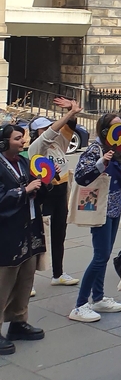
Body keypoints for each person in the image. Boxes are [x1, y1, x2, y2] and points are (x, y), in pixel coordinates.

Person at [69, 113, 121, 322]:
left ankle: (98, 298)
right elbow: (81, 176)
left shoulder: (116, 148)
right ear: (104, 131)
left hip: (115, 205)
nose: (120, 130)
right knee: (100, 256)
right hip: (100, 208)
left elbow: (118, 167)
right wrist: (101, 162)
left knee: (105, 254)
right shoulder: (95, 149)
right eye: (115, 127)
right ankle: (80, 304)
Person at [0, 123, 47, 355]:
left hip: (28, 227)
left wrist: (42, 184)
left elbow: (34, 187)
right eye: (18, 138)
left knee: (26, 278)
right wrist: (24, 191)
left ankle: (18, 321)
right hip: (7, 231)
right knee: (3, 282)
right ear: (5, 141)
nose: (23, 142)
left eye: (23, 138)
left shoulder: (24, 162)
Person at [27, 96, 83, 287]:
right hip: (44, 192)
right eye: (43, 128)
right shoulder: (37, 147)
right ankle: (28, 281)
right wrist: (69, 113)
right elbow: (50, 133)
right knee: (38, 235)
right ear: (37, 133)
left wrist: (72, 112)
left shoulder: (59, 145)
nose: (53, 130)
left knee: (59, 233)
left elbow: (70, 127)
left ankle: (58, 274)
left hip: (61, 191)